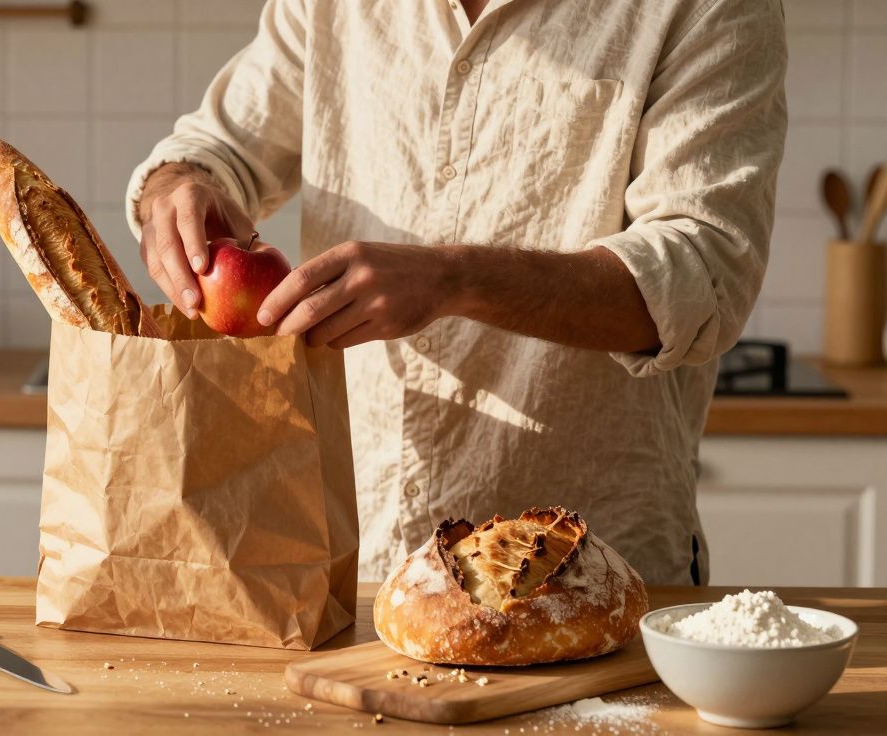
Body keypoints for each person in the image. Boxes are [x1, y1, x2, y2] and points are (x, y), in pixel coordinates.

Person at [125, 0, 786, 585]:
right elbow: (216, 148)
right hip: (356, 554)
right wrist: (177, 190)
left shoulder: (710, 7)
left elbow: (701, 276)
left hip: (585, 569)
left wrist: (453, 279)